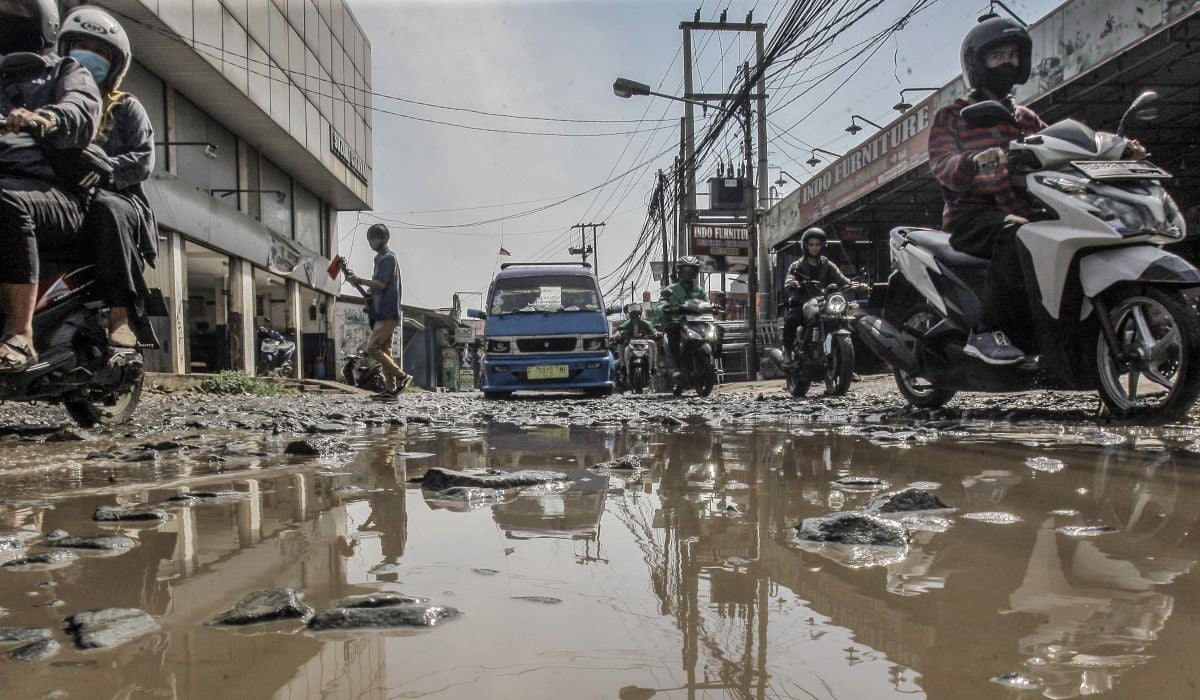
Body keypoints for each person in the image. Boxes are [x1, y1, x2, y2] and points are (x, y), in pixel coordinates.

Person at [0, 0, 102, 371]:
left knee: (5, 203)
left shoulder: (65, 69)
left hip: (56, 192)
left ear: (43, 20)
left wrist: (45, 117)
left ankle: (20, 335)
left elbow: (81, 109)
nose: (6, 16)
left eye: (16, 9)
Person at [58, 5, 155, 348]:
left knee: (106, 208)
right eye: (82, 46)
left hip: (117, 199)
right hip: (60, 197)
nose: (90, 57)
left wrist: (98, 168)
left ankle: (120, 315)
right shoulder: (48, 101)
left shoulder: (125, 106)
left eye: (100, 51)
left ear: (114, 65)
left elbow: (142, 161)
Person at [346, 224, 413, 398]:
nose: (371, 242)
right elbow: (376, 287)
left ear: (383, 239)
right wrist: (360, 284)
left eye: (374, 238)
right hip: (381, 311)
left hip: (387, 312)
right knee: (385, 350)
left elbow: (381, 285)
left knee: (373, 347)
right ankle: (391, 390)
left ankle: (402, 376)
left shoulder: (387, 258)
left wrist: (359, 279)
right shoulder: (379, 259)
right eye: (369, 239)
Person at [781, 228, 854, 364]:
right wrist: (792, 282)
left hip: (823, 303)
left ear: (822, 246)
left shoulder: (827, 264)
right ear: (805, 246)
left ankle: (845, 363)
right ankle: (788, 353)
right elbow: (789, 278)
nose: (814, 248)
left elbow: (841, 279)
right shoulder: (797, 265)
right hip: (802, 303)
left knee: (844, 320)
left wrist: (856, 284)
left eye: (817, 244)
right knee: (791, 320)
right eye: (811, 244)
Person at [656, 256, 706, 376]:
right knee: (673, 330)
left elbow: (705, 302)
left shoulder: (699, 290)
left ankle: (713, 355)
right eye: (686, 270)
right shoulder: (671, 289)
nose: (689, 273)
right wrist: (665, 308)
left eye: (692, 270)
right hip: (677, 321)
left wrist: (714, 307)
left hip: (696, 322)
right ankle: (677, 365)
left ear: (696, 272)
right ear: (679, 271)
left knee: (718, 330)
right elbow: (661, 303)